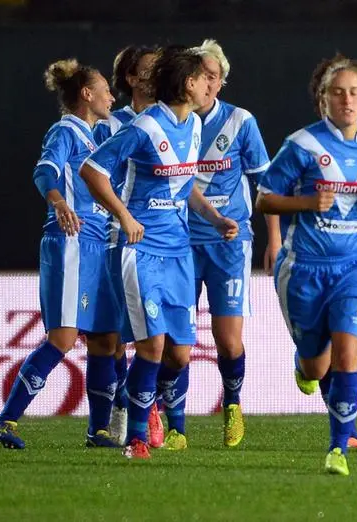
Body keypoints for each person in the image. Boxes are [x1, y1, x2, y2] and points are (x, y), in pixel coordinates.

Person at [80, 47, 239, 460]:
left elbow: (184, 188)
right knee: (151, 346)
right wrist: (124, 217)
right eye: (205, 77)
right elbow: (92, 171)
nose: (211, 84)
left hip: (178, 252)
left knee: (180, 353)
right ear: (188, 83)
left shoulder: (196, 128)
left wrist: (216, 218)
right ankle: (135, 439)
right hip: (138, 248)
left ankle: (138, 399)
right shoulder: (146, 126)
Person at [256, 54, 357, 476]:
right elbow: (265, 197)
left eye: (353, 92)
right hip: (304, 269)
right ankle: (303, 363)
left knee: (349, 352)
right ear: (322, 100)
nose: (346, 99)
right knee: (316, 365)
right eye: (337, 92)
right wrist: (307, 202)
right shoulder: (302, 145)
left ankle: (338, 448)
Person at [0, 58, 122, 450]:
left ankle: (98, 431)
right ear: (86, 94)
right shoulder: (65, 131)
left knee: (104, 340)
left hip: (99, 246)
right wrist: (59, 202)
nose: (111, 96)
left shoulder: (100, 137)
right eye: (105, 89)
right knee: (63, 337)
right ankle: (4, 419)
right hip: (72, 242)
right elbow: (44, 170)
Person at [148, 38, 271, 449]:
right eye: (202, 75)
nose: (208, 83)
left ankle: (233, 406)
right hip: (180, 242)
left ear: (221, 83)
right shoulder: (173, 126)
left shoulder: (240, 122)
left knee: (228, 339)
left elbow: (264, 183)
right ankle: (175, 426)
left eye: (214, 77)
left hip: (230, 244)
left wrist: (273, 237)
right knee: (176, 347)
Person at [94, 44, 161, 448]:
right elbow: (92, 176)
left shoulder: (174, 121)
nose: (157, 75)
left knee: (162, 337)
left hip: (167, 240)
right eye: (149, 70)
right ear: (132, 78)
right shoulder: (111, 125)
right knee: (117, 335)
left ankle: (142, 409)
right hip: (118, 237)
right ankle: (123, 410)